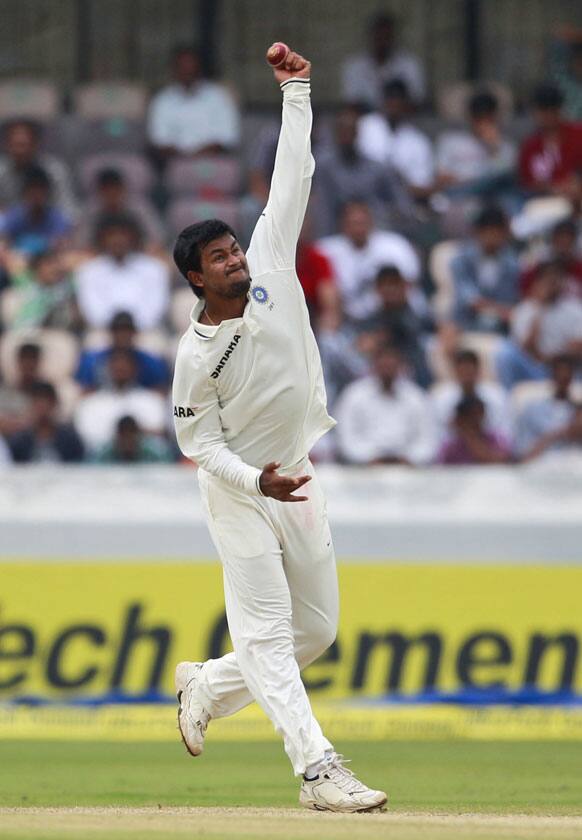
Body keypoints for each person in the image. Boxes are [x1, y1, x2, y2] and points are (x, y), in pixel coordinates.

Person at [171, 48, 386, 812]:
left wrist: (296, 90)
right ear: (197, 278)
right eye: (219, 257)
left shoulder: (270, 260)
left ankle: (207, 684)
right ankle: (318, 771)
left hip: (296, 472)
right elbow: (198, 447)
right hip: (240, 493)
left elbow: (293, 173)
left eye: (234, 247)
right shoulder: (195, 357)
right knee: (267, 633)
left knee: (315, 633)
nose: (235, 259)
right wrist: (251, 481)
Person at [317, 200, 422, 322]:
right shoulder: (326, 250)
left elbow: (409, 283)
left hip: (393, 316)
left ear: (371, 221)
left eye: (362, 222)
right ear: (342, 224)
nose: (358, 229)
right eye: (353, 223)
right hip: (346, 319)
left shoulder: (394, 245)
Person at [314, 105, 412, 235]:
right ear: (335, 134)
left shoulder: (377, 168)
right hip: (338, 235)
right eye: (342, 132)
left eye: (350, 132)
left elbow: (402, 205)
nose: (346, 137)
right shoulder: (324, 167)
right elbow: (323, 207)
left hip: (376, 233)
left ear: (357, 133)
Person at [334, 342, 437, 465]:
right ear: (374, 364)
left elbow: (427, 440)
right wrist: (370, 458)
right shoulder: (354, 395)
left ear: (400, 365)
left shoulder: (416, 397)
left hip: (408, 470)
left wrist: (409, 459)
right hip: (363, 470)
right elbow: (345, 438)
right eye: (383, 363)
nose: (387, 367)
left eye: (391, 363)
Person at [74, 213, 170, 330]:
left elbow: (155, 309)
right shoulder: (88, 271)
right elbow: (92, 310)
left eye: (123, 234)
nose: (118, 240)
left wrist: (129, 328)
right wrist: (117, 329)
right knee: (94, 342)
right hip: (104, 332)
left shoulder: (154, 268)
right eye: (112, 235)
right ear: (102, 238)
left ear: (134, 237)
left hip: (144, 331)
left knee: (156, 343)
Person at [496, 260, 582, 389]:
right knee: (505, 352)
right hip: (536, 369)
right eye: (548, 279)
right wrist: (540, 309)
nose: (553, 283)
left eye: (556, 279)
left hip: (566, 369)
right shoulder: (525, 310)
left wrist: (551, 358)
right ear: (538, 282)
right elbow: (526, 348)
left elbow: (578, 347)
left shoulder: (575, 309)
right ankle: (509, 400)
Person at [147, 44, 240, 161]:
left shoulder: (219, 97)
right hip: (174, 163)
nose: (187, 71)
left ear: (199, 68)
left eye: (191, 67)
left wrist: (197, 156)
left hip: (213, 160)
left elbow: (227, 139)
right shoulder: (162, 100)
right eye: (182, 67)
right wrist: (184, 159)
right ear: (174, 69)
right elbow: (159, 141)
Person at [74, 348, 168, 451]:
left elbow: (159, 438)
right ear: (107, 368)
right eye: (117, 366)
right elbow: (89, 440)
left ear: (135, 369)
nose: (121, 369)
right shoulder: (91, 404)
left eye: (125, 367)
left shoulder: (151, 401)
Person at [447, 206, 520, 336]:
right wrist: (501, 311)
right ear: (478, 232)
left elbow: (511, 299)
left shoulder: (512, 264)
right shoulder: (461, 261)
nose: (493, 237)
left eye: (497, 233)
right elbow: (470, 300)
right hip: (466, 323)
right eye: (489, 232)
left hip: (502, 328)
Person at [356, 79, 434, 198]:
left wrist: (393, 185)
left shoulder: (418, 141)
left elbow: (421, 185)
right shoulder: (364, 126)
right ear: (382, 101)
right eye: (390, 100)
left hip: (401, 200)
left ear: (406, 104)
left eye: (398, 101)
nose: (394, 107)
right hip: (362, 196)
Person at [435, 91, 517, 194]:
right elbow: (441, 178)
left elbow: (506, 179)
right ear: (470, 117)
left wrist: (494, 148)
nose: (483, 123)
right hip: (460, 195)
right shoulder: (450, 141)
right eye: (479, 118)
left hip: (492, 196)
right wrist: (470, 180)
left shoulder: (505, 147)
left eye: (488, 119)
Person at [341, 13, 426, 108]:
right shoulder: (354, 66)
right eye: (379, 36)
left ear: (393, 37)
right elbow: (351, 103)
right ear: (371, 36)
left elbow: (417, 100)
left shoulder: (410, 64)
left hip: (403, 120)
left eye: (386, 36)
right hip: (366, 120)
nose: (382, 41)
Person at [431, 348, 511, 445]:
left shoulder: (496, 395)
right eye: (462, 370)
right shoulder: (441, 398)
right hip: (452, 454)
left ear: (478, 370)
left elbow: (504, 434)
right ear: (455, 371)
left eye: (469, 370)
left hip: (490, 451)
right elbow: (437, 436)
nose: (466, 375)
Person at [75, 168, 165, 253]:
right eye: (107, 191)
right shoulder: (91, 211)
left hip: (137, 254)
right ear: (99, 192)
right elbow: (81, 243)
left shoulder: (139, 208)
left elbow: (157, 238)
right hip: (100, 257)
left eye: (115, 190)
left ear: (123, 189)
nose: (111, 194)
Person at [75, 311, 169, 392]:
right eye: (118, 331)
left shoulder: (151, 363)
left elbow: (160, 391)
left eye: (127, 331)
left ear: (134, 333)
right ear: (111, 333)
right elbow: (84, 391)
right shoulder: (92, 361)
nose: (123, 335)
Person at [0, 120, 77, 217]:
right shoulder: (1, 171)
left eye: (24, 145)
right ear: (7, 145)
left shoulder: (53, 170)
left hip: (47, 224)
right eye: (16, 145)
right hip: (7, 226)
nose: (20, 151)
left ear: (35, 145)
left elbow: (68, 209)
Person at [519, 84, 582, 199]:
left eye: (552, 109)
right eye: (543, 109)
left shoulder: (578, 134)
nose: (548, 115)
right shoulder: (530, 147)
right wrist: (551, 188)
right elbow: (526, 184)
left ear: (559, 109)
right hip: (545, 205)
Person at [514, 354, 580, 457]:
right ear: (552, 376)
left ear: (572, 378)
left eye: (567, 377)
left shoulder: (578, 411)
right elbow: (523, 451)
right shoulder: (533, 410)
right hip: (542, 464)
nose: (563, 380)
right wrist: (558, 434)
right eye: (559, 376)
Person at [0, 166, 73, 256]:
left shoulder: (57, 219)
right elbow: (4, 242)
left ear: (47, 194)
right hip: (17, 261)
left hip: (47, 261)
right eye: (32, 192)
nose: (36, 197)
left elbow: (63, 246)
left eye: (40, 193)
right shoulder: (14, 217)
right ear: (24, 194)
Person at [7, 381, 84, 463]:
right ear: (31, 405)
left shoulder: (70, 439)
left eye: (46, 404)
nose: (42, 410)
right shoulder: (19, 440)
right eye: (38, 404)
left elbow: (78, 466)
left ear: (54, 404)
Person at [4, 249, 79, 331]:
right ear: (37, 268)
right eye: (49, 264)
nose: (55, 268)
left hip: (59, 333)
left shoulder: (67, 287)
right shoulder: (26, 288)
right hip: (27, 334)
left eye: (57, 263)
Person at [438, 395, 511, 465]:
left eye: (479, 413)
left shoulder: (495, 438)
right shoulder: (451, 446)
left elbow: (502, 461)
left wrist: (470, 436)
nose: (477, 419)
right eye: (472, 415)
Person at [520, 217, 582, 297]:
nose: (563, 247)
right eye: (560, 241)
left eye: (567, 242)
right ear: (553, 241)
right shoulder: (538, 266)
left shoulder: (579, 268)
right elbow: (524, 292)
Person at [92, 414, 174, 464]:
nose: (127, 440)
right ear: (117, 436)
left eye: (130, 435)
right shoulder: (104, 454)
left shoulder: (154, 454)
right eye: (124, 436)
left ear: (137, 434)